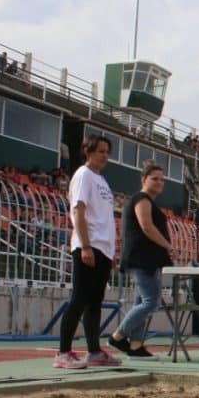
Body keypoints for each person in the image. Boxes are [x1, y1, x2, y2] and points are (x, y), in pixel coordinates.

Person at [53, 135, 121, 369]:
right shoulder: (83, 175)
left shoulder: (101, 180)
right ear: (88, 151)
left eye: (107, 152)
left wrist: (110, 251)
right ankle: (63, 352)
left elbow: (104, 217)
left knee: (95, 302)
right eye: (100, 151)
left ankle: (94, 351)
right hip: (89, 245)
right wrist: (85, 245)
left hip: (103, 247)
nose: (104, 156)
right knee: (79, 299)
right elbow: (78, 212)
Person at [107, 162, 174, 360]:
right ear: (143, 180)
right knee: (150, 302)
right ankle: (117, 336)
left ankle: (136, 346)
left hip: (148, 260)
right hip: (141, 259)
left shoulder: (148, 201)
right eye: (155, 178)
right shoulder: (142, 199)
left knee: (141, 302)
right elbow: (146, 226)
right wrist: (167, 245)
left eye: (162, 179)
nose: (160, 182)